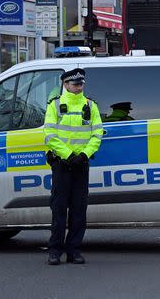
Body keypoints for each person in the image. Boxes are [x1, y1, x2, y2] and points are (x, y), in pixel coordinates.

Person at [44, 68, 103, 265]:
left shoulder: (90, 105)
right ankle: (54, 251)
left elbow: (97, 133)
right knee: (59, 210)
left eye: (81, 83)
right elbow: (50, 135)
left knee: (79, 210)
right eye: (75, 83)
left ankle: (74, 250)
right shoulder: (55, 105)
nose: (79, 86)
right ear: (66, 84)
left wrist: (84, 154)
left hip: (81, 165)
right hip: (62, 165)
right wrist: (68, 155)